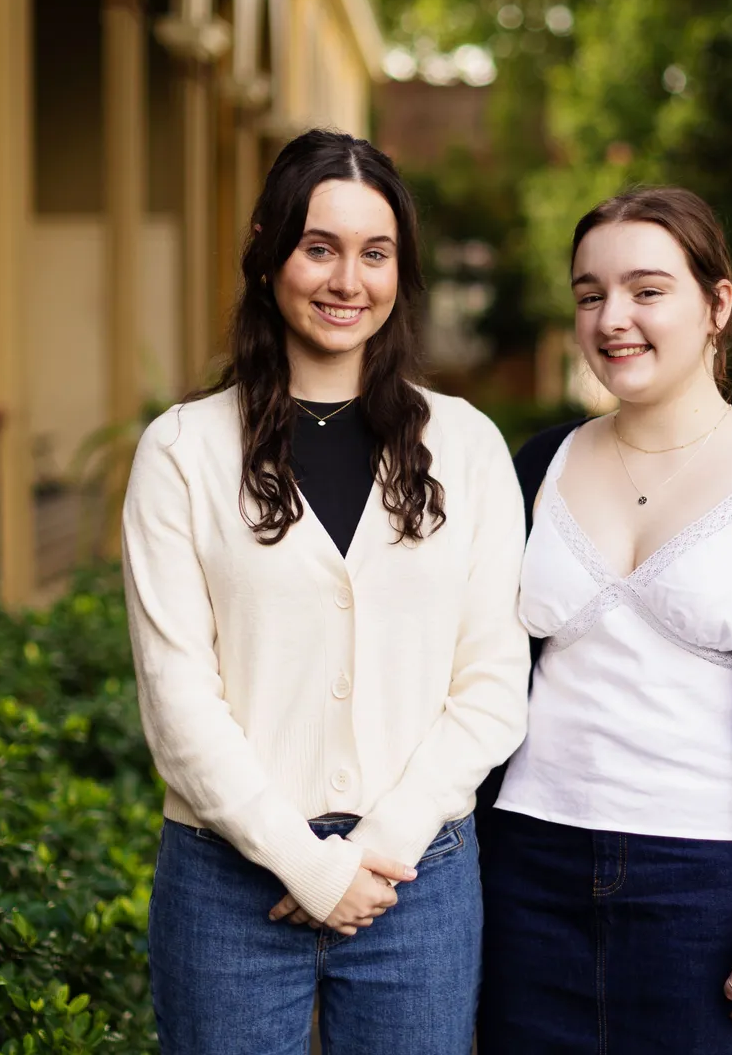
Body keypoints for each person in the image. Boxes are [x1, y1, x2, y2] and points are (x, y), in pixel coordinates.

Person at [122, 128, 530, 1055]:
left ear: (401, 272)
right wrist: (307, 864)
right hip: (228, 881)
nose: (349, 280)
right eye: (320, 247)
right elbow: (178, 700)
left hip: (416, 876)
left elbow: (495, 681)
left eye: (375, 253)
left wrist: (378, 845)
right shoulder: (182, 452)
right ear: (268, 253)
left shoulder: (464, 447)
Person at [477, 186, 732, 1053]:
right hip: (524, 874)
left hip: (708, 889)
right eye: (590, 294)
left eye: (647, 290)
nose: (613, 317)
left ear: (717, 303)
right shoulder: (537, 464)